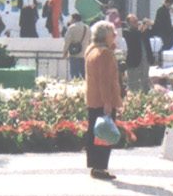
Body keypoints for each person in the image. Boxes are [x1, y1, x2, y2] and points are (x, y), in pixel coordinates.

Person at [83, 20, 122, 181]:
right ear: (105, 36)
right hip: (103, 100)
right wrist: (108, 101)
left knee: (95, 131)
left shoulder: (91, 50)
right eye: (112, 33)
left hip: (93, 98)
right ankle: (100, 167)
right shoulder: (104, 54)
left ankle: (95, 165)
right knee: (104, 134)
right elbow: (105, 80)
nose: (115, 36)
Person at [121, 14, 151, 92]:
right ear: (129, 23)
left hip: (145, 62)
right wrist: (141, 29)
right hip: (134, 62)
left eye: (137, 21)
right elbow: (134, 37)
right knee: (133, 86)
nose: (137, 23)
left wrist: (147, 26)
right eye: (134, 22)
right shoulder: (127, 32)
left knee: (145, 84)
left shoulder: (142, 32)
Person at [62, 11, 90, 80]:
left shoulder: (72, 27)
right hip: (85, 54)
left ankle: (76, 88)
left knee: (75, 75)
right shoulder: (87, 28)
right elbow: (90, 41)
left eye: (71, 19)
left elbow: (67, 41)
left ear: (74, 19)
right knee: (85, 74)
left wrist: (64, 52)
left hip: (74, 54)